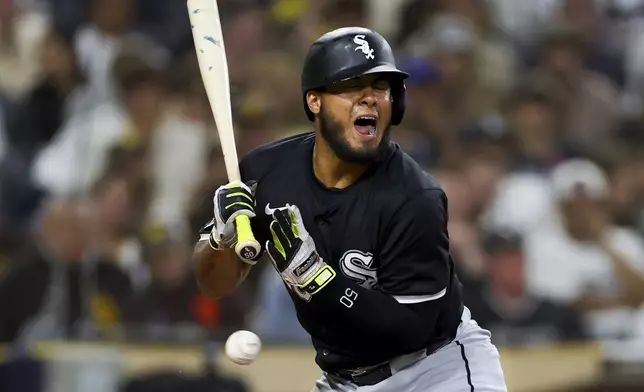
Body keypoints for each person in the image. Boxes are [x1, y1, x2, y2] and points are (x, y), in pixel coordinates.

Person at [193, 27, 507, 392]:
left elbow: (410, 330)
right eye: (351, 86)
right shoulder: (266, 175)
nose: (370, 98)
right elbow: (213, 284)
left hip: (435, 370)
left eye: (380, 86)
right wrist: (220, 238)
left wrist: (319, 281)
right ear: (315, 101)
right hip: (343, 381)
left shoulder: (415, 197)